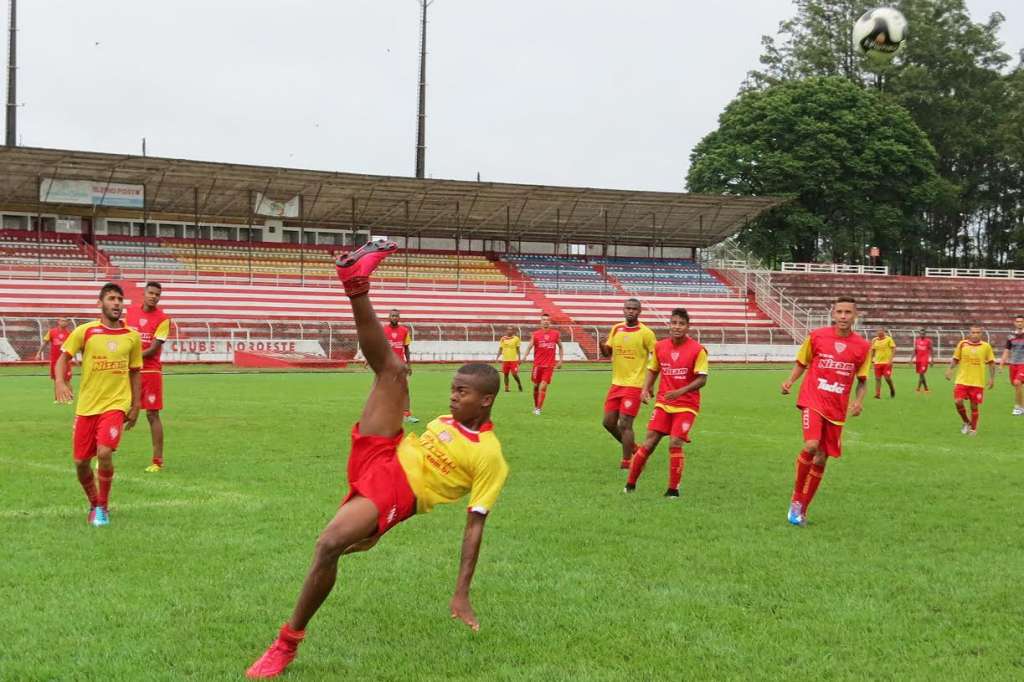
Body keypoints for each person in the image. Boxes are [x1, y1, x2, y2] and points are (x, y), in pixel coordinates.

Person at [246, 240, 509, 679]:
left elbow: (474, 526)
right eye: (452, 387)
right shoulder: (446, 420)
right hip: (384, 450)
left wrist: (461, 591)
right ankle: (356, 282)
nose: (452, 395)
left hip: (399, 489)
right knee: (393, 371)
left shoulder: (490, 457)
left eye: (461, 391)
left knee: (328, 544)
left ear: (485, 401)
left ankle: (285, 644)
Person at [54, 283, 142, 527]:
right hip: (87, 406)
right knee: (81, 463)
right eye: (112, 298)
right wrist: (60, 381)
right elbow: (63, 359)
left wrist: (135, 406)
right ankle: (94, 502)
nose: (117, 303)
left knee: (104, 452)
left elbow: (135, 372)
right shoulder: (86, 332)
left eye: (120, 299)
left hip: (115, 404)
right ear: (100, 302)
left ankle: (102, 507)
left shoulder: (131, 337)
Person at [780, 297, 870, 527]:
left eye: (848, 312)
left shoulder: (863, 346)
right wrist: (790, 381)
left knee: (822, 457)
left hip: (837, 407)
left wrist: (859, 401)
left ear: (855, 315)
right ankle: (796, 497)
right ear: (832, 314)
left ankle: (801, 509)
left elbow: (862, 380)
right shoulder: (817, 336)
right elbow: (802, 362)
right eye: (839, 311)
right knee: (811, 445)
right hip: (813, 398)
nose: (843, 316)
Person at [625, 308, 707, 497]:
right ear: (669, 325)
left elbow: (702, 379)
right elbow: (653, 369)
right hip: (663, 403)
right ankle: (629, 485)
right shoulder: (660, 346)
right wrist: (646, 388)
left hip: (687, 404)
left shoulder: (698, 350)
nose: (677, 327)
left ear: (688, 327)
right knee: (649, 442)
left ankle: (672, 490)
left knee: (675, 442)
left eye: (681, 324)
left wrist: (680, 391)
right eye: (674, 323)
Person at [600, 298, 656, 469]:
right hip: (617, 383)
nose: (630, 311)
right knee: (608, 423)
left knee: (625, 423)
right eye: (628, 308)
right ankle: (635, 449)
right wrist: (602, 345)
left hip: (635, 384)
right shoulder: (616, 329)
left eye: (634, 309)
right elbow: (607, 354)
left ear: (639, 311)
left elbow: (656, 358)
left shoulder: (646, 333)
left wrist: (650, 384)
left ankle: (626, 462)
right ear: (623, 310)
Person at [124, 282, 171, 472]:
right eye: (151, 293)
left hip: (150, 372)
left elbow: (153, 349)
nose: (153, 296)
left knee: (152, 415)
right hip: (130, 371)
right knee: (116, 409)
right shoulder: (130, 313)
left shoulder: (163, 319)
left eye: (157, 294)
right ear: (144, 294)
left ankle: (157, 461)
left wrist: (130, 357)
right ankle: (105, 451)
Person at [945, 326, 996, 435]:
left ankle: (973, 429)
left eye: (977, 332)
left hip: (977, 381)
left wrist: (992, 378)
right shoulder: (962, 344)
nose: (975, 334)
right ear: (969, 333)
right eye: (973, 332)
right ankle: (966, 422)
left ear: (981, 334)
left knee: (974, 406)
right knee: (958, 401)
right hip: (962, 380)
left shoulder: (986, 346)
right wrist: (950, 369)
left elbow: (991, 363)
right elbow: (955, 359)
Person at [522, 313, 563, 415]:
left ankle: (538, 409)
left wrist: (561, 360)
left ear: (550, 322)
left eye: (547, 320)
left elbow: (561, 347)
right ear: (541, 322)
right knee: (536, 386)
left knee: (543, 386)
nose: (546, 321)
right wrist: (525, 356)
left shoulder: (555, 334)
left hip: (549, 366)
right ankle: (536, 406)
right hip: (537, 365)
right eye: (544, 320)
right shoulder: (535, 334)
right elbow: (529, 346)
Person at [383, 309, 418, 424]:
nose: (394, 317)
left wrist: (409, 364)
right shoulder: (383, 330)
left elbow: (407, 348)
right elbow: (379, 347)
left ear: (399, 318)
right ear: (389, 317)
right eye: (392, 315)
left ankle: (406, 415)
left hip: (400, 365)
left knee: (405, 390)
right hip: (387, 365)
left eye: (396, 316)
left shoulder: (404, 330)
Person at [37, 317, 73, 391]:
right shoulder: (52, 332)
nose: (65, 322)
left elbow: (72, 347)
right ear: (58, 322)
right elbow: (45, 343)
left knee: (66, 380)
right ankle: (58, 398)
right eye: (63, 321)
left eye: (66, 321)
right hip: (55, 360)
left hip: (65, 361)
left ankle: (70, 398)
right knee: (56, 380)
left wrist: (74, 358)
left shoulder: (70, 334)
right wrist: (38, 353)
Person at [999, 315, 1024, 415]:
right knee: (1016, 385)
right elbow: (1006, 351)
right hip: (1013, 364)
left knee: (1017, 383)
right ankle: (1021, 406)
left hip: (1023, 364)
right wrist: (1001, 364)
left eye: (1021, 321)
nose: (1019, 323)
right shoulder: (1010, 337)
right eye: (1018, 321)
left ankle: (1019, 407)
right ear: (1015, 323)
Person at [869, 328, 896, 399]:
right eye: (878, 331)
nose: (879, 332)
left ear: (884, 332)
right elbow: (873, 352)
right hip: (877, 362)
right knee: (877, 379)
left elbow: (893, 349)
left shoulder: (888, 339)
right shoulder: (874, 340)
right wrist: (870, 362)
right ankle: (877, 394)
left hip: (886, 362)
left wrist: (890, 360)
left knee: (887, 378)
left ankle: (892, 389)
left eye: (881, 331)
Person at [495, 325, 523, 392]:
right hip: (505, 360)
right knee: (506, 374)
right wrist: (497, 357)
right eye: (508, 329)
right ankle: (506, 388)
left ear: (513, 331)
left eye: (511, 329)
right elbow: (500, 348)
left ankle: (519, 384)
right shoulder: (503, 338)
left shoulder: (516, 339)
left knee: (514, 374)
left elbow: (518, 349)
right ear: (506, 331)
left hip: (513, 360)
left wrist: (519, 358)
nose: (509, 331)